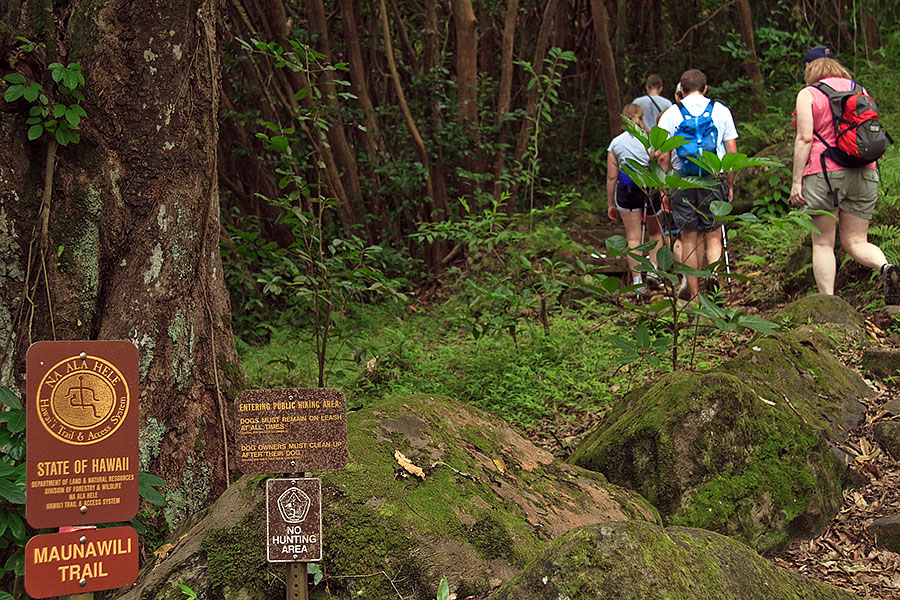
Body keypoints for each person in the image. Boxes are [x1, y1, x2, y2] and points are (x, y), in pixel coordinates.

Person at [789, 45, 899, 304]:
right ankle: (886, 268)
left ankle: (829, 305)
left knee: (823, 243)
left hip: (824, 173)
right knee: (856, 241)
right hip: (864, 171)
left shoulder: (809, 94)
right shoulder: (859, 90)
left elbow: (804, 138)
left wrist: (796, 182)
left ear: (810, 67)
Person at [657, 69, 738, 299]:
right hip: (713, 180)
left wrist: (664, 189)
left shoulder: (671, 115)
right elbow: (732, 151)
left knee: (689, 238)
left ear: (680, 90)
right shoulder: (720, 111)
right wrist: (729, 184)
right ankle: (713, 280)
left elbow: (663, 157)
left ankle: (694, 294)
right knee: (713, 235)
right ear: (705, 89)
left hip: (682, 182)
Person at [607, 104, 665, 292]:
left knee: (633, 237)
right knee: (655, 233)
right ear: (641, 117)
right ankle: (654, 271)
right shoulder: (651, 140)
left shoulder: (616, 143)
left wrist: (610, 203)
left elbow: (612, 176)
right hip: (650, 189)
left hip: (627, 192)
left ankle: (637, 281)